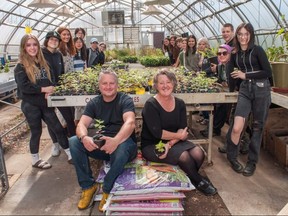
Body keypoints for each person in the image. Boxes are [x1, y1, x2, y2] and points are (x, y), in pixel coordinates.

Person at [140, 68, 217, 196]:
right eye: (161, 83)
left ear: (174, 83)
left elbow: (183, 127)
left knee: (199, 153)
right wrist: (179, 136)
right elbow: (158, 133)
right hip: (153, 144)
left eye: (168, 82)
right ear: (156, 86)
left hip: (174, 142)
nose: (165, 86)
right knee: (184, 156)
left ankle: (189, 176)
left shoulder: (180, 103)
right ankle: (199, 181)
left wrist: (170, 143)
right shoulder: (151, 105)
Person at [69, 70, 138, 211]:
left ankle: (107, 188)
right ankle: (88, 186)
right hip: (104, 146)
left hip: (124, 145)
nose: (108, 86)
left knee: (121, 148)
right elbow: (82, 124)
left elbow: (130, 123)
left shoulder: (125, 100)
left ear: (117, 85)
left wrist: (116, 140)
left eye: (111, 83)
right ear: (99, 85)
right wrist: (84, 137)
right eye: (104, 83)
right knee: (74, 141)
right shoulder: (94, 103)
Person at [14, 34, 72, 169]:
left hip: (45, 103)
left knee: (58, 128)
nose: (32, 48)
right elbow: (24, 87)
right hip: (30, 104)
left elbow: (49, 81)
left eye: (34, 45)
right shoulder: (21, 66)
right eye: (28, 45)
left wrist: (50, 90)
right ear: (23, 48)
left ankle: (70, 153)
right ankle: (35, 160)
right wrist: (43, 89)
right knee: (36, 131)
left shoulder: (42, 63)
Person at [226, 23, 272, 176]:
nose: (243, 37)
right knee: (237, 127)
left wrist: (245, 75)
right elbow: (230, 73)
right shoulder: (235, 53)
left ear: (251, 35)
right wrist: (231, 90)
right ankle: (232, 157)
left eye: (246, 34)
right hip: (245, 90)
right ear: (236, 36)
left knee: (257, 127)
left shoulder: (257, 50)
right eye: (240, 34)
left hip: (261, 90)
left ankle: (252, 162)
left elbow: (267, 72)